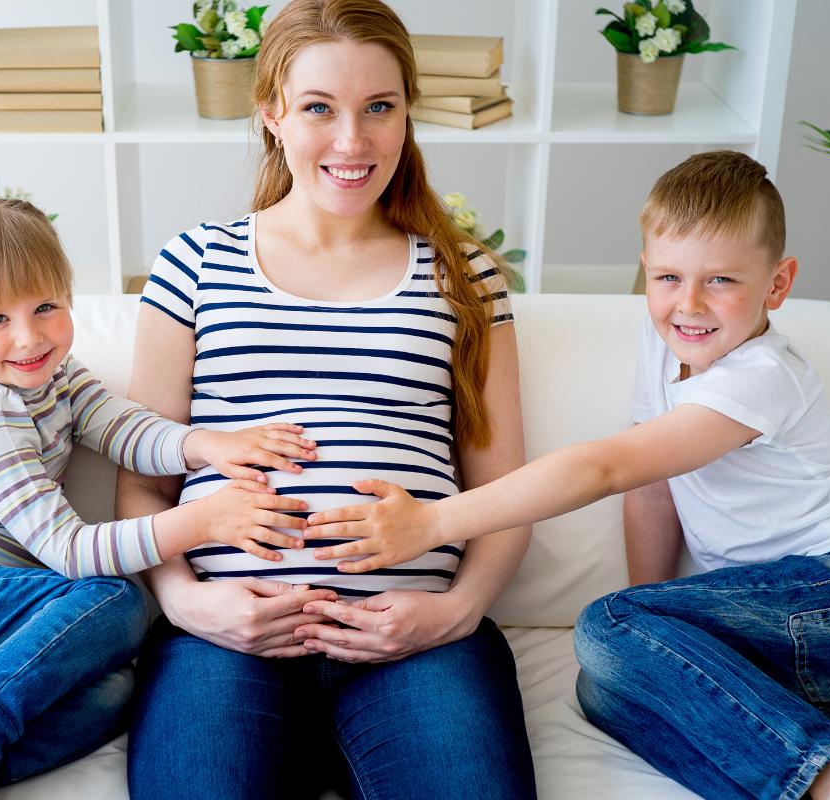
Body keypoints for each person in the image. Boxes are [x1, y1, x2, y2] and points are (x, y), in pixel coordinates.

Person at [305, 151, 830, 800]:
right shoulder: (665, 345)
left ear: (778, 285)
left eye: (721, 280)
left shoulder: (761, 376)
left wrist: (434, 521)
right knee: (605, 686)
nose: (689, 304)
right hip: (802, 656)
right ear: (646, 272)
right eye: (669, 277)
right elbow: (651, 486)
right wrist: (649, 629)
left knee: (606, 626)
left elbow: (609, 467)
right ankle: (801, 778)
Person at [115, 1, 537, 797]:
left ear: (408, 112)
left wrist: (456, 613)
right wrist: (186, 603)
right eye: (319, 108)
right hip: (226, 642)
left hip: (415, 637)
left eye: (380, 107)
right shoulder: (194, 263)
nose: (353, 142)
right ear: (272, 113)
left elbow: (506, 491)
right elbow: (144, 474)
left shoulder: (465, 275)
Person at [0, 197, 317, 800]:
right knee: (117, 601)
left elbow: (125, 428)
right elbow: (69, 551)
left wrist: (210, 447)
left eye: (45, 307)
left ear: (70, 297)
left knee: (118, 690)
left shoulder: (60, 378)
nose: (28, 337)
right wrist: (201, 520)